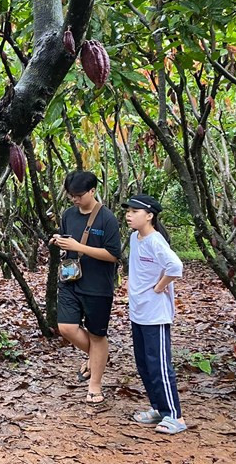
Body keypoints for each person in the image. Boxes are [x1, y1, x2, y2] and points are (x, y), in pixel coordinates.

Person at [51, 171, 122, 405]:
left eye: (79, 195)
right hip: (71, 280)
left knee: (97, 334)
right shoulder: (68, 215)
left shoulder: (107, 219)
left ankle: (95, 385)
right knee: (66, 327)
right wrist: (59, 241)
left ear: (92, 191)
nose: (75, 199)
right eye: (71, 195)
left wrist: (79, 246)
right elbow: (68, 242)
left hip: (97, 285)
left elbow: (113, 255)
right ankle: (96, 357)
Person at [123, 194, 186, 434]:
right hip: (138, 310)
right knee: (144, 364)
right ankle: (159, 408)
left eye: (134, 211)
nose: (129, 215)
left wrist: (159, 287)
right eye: (128, 211)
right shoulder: (135, 237)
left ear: (149, 215)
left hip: (155, 313)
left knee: (159, 365)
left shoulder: (156, 240)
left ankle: (175, 416)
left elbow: (175, 266)